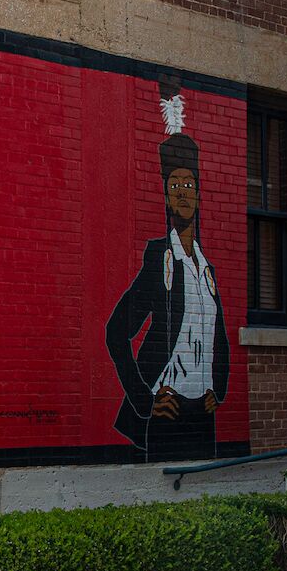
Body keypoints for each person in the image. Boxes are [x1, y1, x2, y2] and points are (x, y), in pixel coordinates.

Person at [105, 86, 229, 461]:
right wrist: (145, 399)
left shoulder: (207, 268)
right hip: (168, 413)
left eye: (189, 184)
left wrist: (218, 391)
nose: (182, 192)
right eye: (174, 185)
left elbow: (219, 339)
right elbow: (116, 331)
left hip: (202, 416)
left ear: (199, 192)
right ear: (165, 195)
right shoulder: (160, 258)